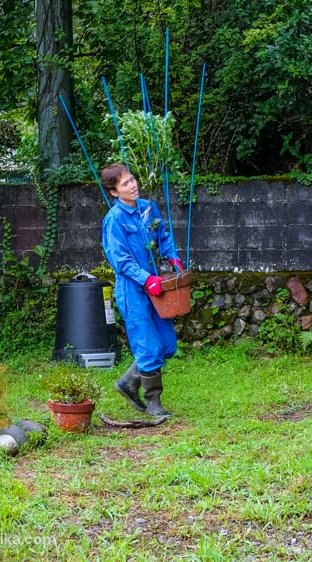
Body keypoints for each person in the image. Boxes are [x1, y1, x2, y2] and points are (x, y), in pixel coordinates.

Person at [100, 163, 184, 417]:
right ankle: (153, 402)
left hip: (156, 286)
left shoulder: (148, 208)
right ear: (114, 192)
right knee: (147, 347)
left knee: (167, 345)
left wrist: (173, 258)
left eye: (132, 179)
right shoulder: (113, 220)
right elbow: (120, 260)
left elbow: (163, 236)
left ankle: (128, 382)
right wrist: (146, 279)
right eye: (125, 183)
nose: (133, 185)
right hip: (132, 290)